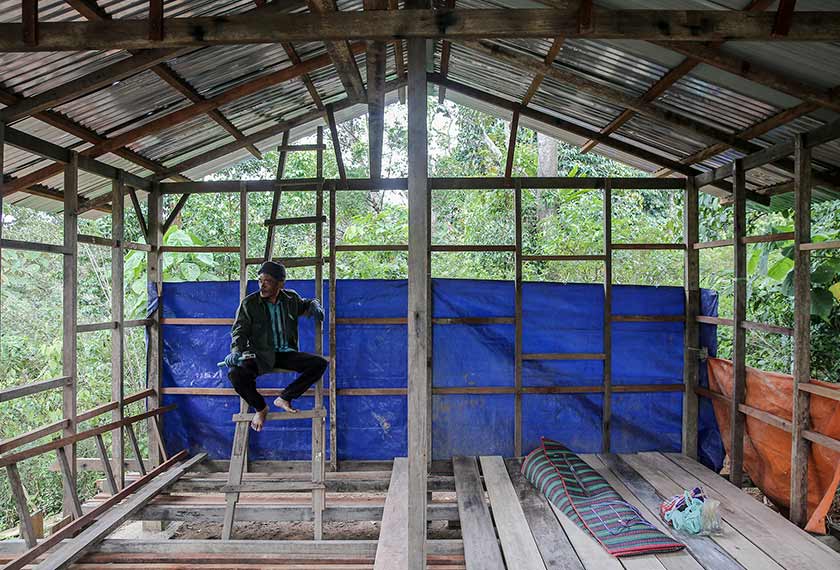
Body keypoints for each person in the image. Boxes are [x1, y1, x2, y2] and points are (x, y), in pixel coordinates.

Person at [224, 261, 327, 432]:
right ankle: (260, 408)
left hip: (285, 354)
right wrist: (236, 351)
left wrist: (314, 305)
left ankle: (285, 397)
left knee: (319, 364)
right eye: (260, 281)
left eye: (268, 281)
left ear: (280, 283)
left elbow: (306, 303)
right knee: (235, 374)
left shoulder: (290, 298)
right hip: (259, 354)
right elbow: (239, 331)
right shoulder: (249, 304)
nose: (262, 285)